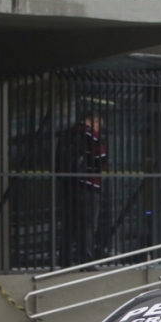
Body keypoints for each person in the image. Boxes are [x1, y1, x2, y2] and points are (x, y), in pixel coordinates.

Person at [56, 115, 106, 268]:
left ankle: (64, 260)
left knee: (69, 225)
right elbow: (101, 159)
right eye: (99, 124)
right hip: (88, 185)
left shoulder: (66, 134)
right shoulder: (91, 135)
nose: (98, 128)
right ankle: (86, 261)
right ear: (94, 121)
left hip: (68, 185)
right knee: (88, 225)